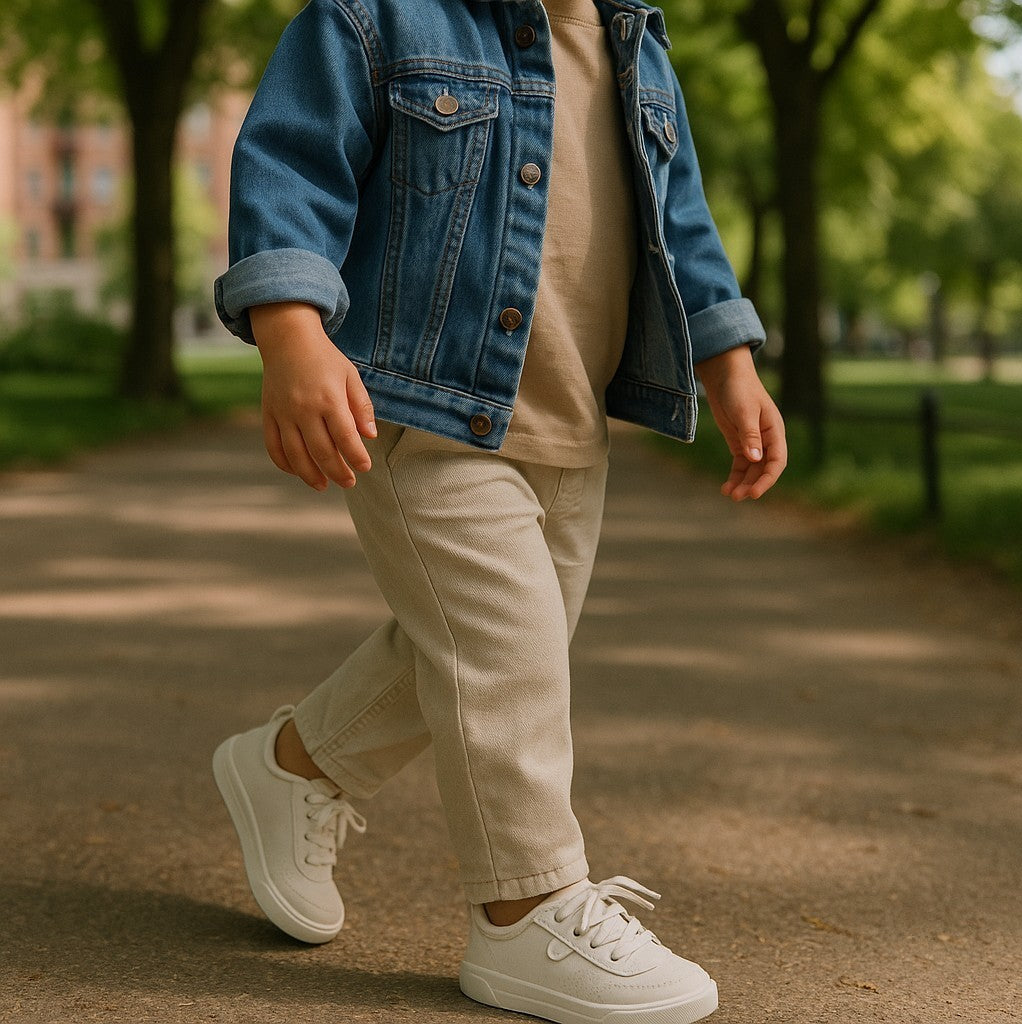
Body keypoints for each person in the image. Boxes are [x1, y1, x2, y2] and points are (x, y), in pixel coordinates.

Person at [211, 0, 786, 1021]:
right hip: (425, 410)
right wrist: (292, 330)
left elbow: (679, 216)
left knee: (489, 649)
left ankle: (292, 766)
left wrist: (727, 360)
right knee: (506, 656)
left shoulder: (635, 43)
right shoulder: (378, 15)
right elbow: (292, 163)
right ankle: (524, 910)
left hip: (573, 427)